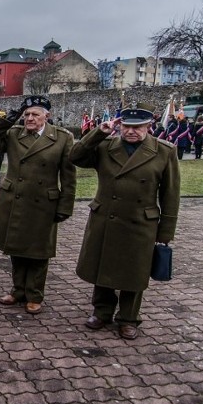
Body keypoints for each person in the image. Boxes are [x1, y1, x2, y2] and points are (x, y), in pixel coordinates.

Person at [70, 103, 180, 340]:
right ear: (120, 126)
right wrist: (99, 132)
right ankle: (102, 311)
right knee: (104, 266)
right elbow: (75, 156)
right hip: (107, 216)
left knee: (134, 272)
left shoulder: (164, 151)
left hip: (140, 221)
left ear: (149, 127)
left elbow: (170, 194)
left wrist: (166, 232)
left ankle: (129, 318)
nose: (131, 132)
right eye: (127, 127)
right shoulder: (106, 145)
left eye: (138, 127)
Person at [0, 95, 76, 314]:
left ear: (47, 116)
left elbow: (69, 177)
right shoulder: (14, 133)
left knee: (38, 251)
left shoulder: (62, 138)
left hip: (44, 201)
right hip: (16, 198)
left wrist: (65, 206)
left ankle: (34, 294)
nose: (30, 119)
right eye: (27, 115)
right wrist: (8, 120)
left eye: (35, 114)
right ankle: (18, 290)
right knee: (16, 247)